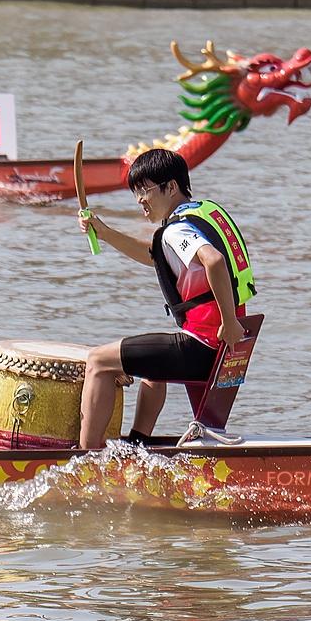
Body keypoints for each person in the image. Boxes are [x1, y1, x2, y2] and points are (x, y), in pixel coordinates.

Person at [76, 148, 255, 450]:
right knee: (151, 368)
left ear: (170, 187)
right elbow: (155, 256)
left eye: (144, 191)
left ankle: (85, 458)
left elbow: (213, 262)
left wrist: (227, 321)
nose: (139, 201)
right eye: (135, 192)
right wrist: (105, 233)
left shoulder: (177, 228)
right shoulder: (203, 211)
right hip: (224, 346)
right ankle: (138, 444)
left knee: (98, 361)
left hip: (205, 344)